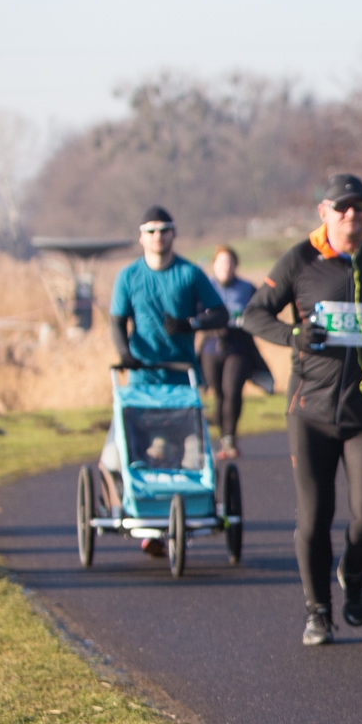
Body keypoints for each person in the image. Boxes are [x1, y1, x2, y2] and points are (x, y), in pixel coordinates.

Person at [243, 173, 362, 647]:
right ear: (324, 212)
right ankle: (318, 612)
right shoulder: (301, 260)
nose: (352, 215)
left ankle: (353, 568)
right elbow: (254, 313)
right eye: (342, 208)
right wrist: (293, 336)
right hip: (311, 412)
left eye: (360, 208)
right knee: (314, 518)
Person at [108, 206, 229, 556]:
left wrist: (190, 324)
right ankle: (144, 517)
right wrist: (125, 354)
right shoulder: (128, 276)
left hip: (181, 376)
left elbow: (219, 312)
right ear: (141, 236)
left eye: (164, 230)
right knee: (128, 450)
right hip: (142, 376)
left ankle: (177, 523)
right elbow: (117, 321)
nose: (158, 237)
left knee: (184, 453)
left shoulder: (189, 273)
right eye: (151, 231)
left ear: (174, 234)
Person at [199, 245, 259, 460]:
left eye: (230, 262)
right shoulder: (205, 287)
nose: (226, 267)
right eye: (221, 262)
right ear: (214, 265)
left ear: (236, 265)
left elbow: (259, 314)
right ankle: (221, 437)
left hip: (238, 346)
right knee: (218, 394)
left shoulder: (247, 288)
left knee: (232, 391)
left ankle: (230, 438)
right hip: (211, 346)